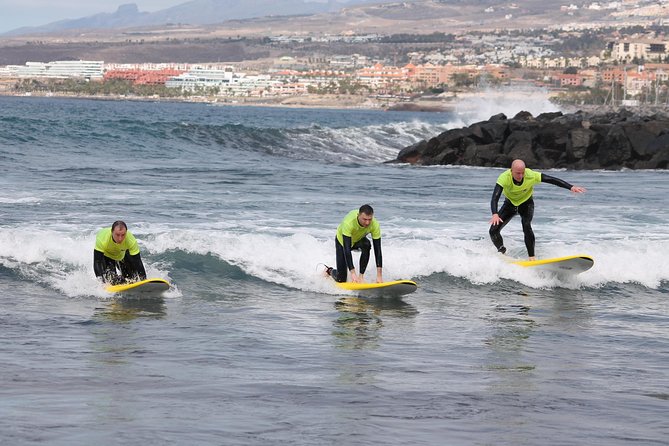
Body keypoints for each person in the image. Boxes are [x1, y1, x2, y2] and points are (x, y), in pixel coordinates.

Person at [489, 159, 586, 261]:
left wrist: (570, 187)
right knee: (493, 230)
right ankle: (502, 252)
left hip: (526, 204)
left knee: (526, 225)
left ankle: (532, 258)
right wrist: (495, 213)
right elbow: (495, 197)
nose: (521, 176)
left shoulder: (531, 175)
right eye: (518, 173)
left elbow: (552, 180)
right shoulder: (504, 178)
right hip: (509, 204)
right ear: (511, 171)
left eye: (523, 173)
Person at [326, 204, 383, 283]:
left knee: (367, 245)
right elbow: (347, 249)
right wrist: (352, 273)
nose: (367, 222)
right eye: (364, 219)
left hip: (357, 240)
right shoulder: (349, 222)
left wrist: (379, 276)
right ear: (358, 215)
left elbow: (378, 249)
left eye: (370, 219)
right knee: (341, 279)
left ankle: (361, 277)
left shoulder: (374, 224)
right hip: (342, 242)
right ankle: (329, 270)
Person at [93, 220, 147, 285]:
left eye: (123, 235)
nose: (120, 238)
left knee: (132, 278)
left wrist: (144, 281)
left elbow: (138, 262)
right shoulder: (103, 239)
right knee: (111, 280)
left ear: (126, 233)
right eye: (117, 235)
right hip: (106, 256)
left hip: (122, 254)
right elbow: (97, 262)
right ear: (112, 232)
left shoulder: (131, 240)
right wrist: (102, 284)